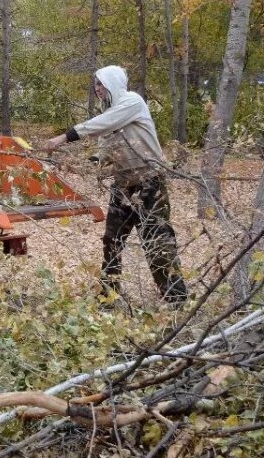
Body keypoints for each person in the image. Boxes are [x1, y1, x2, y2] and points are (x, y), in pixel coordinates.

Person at [41, 66, 188, 305]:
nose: (97, 89)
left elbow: (102, 124)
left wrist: (62, 138)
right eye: (95, 85)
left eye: (101, 84)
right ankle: (110, 296)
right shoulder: (110, 112)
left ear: (113, 83)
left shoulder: (132, 102)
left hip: (149, 184)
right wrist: (85, 164)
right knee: (112, 240)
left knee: (157, 242)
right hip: (123, 186)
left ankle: (177, 299)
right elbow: (105, 149)